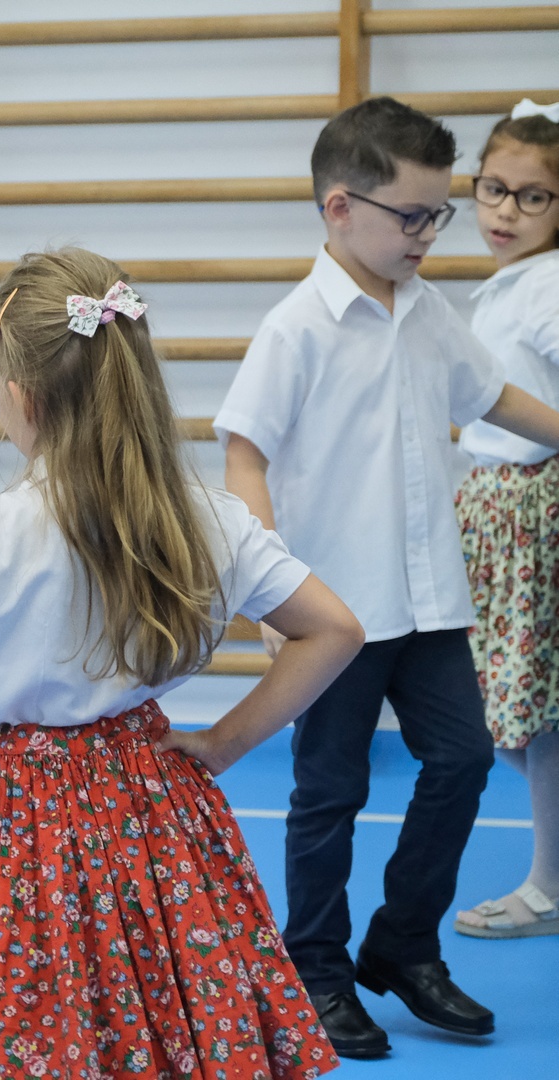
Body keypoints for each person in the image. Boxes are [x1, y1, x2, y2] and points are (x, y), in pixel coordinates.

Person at [0, 248, 359, 1079]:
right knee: (166, 993)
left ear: (19, 395)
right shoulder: (207, 518)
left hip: (28, 817)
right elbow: (333, 630)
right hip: (153, 795)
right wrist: (224, 743)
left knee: (49, 1006)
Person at [216, 95, 559, 1058]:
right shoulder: (295, 328)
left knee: (460, 760)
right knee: (328, 791)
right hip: (336, 611)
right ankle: (317, 966)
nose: (427, 234)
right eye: (410, 215)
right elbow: (244, 454)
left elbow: (493, 395)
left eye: (436, 214)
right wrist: (269, 584)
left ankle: (403, 944)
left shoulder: (428, 310)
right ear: (339, 209)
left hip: (431, 601)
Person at [451, 99, 559, 942]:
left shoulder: (548, 287)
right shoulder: (510, 284)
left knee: (539, 710)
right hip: (497, 511)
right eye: (492, 189)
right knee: (515, 712)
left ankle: (548, 886)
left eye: (532, 197)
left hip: (534, 512)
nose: (505, 212)